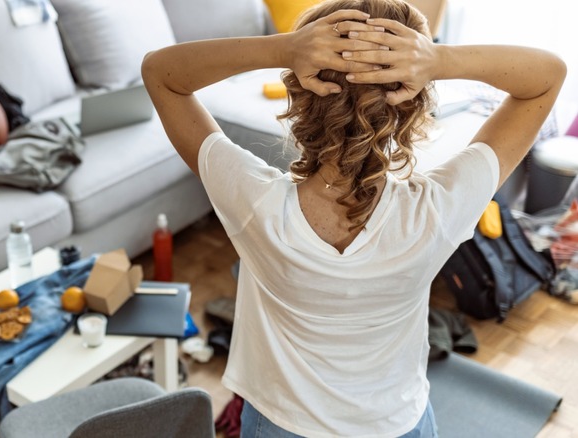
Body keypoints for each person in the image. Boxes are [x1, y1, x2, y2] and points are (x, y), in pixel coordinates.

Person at [141, 0, 566, 436]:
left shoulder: (252, 200)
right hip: (398, 426)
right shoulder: (437, 210)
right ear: (412, 104)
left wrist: (284, 49)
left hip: (281, 425)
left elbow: (161, 73)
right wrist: (440, 58)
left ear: (300, 91)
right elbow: (547, 76)